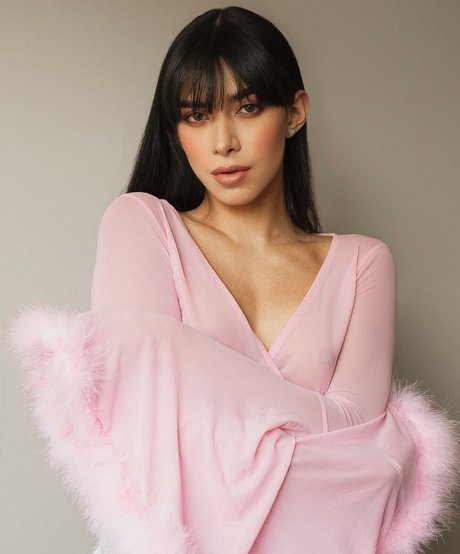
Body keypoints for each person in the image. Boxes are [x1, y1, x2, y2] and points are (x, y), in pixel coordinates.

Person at [5, 6, 459, 554]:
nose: (223, 142)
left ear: (295, 112)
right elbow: (144, 442)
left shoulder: (363, 263)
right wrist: (309, 433)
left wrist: (174, 360)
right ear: (176, 130)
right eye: (196, 115)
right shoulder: (142, 225)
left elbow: (372, 471)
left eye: (247, 108)